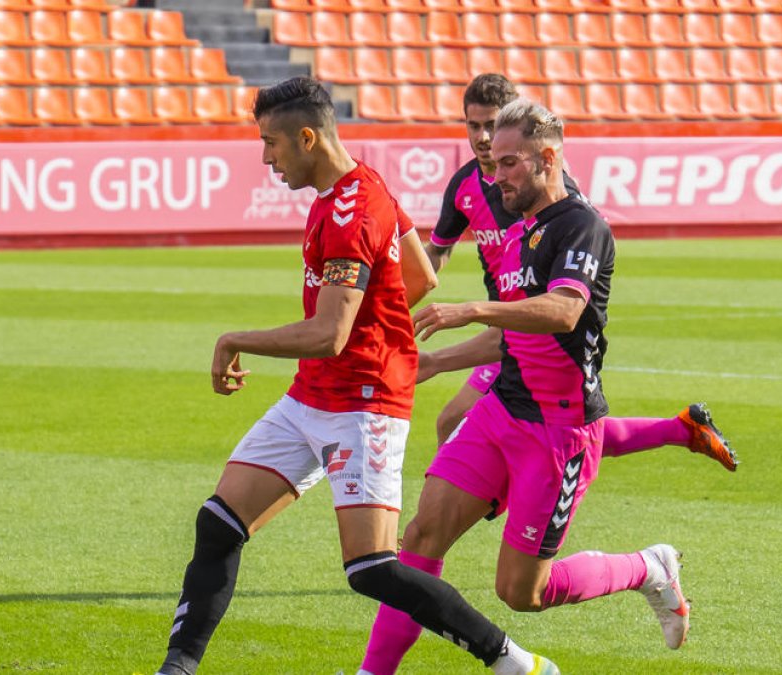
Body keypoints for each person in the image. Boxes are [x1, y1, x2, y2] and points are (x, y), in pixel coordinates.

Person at [155, 78, 559, 675]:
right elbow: (421, 277)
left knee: (370, 568)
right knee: (217, 524)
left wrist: (234, 339)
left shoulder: (351, 210)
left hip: (363, 405)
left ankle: (512, 662)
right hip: (314, 395)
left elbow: (329, 333)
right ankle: (177, 669)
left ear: (308, 137)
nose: (266, 158)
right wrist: (383, 328)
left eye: (271, 144)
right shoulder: (364, 184)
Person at [356, 99, 691, 675]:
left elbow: (561, 312)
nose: (495, 172)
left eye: (510, 162)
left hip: (559, 432)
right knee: (422, 533)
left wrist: (472, 309)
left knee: (520, 591)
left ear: (548, 158)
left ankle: (649, 568)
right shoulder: (519, 230)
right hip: (500, 412)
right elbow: (511, 333)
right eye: (492, 161)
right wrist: (440, 362)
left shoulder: (583, 226)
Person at [423, 74, 736, 471]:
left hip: (538, 330)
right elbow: (438, 249)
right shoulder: (464, 185)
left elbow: (570, 286)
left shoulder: (548, 196)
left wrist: (443, 348)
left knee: (464, 421)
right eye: (474, 125)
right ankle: (681, 429)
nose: (484, 137)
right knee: (563, 432)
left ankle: (451, 517)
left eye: (492, 124)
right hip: (506, 324)